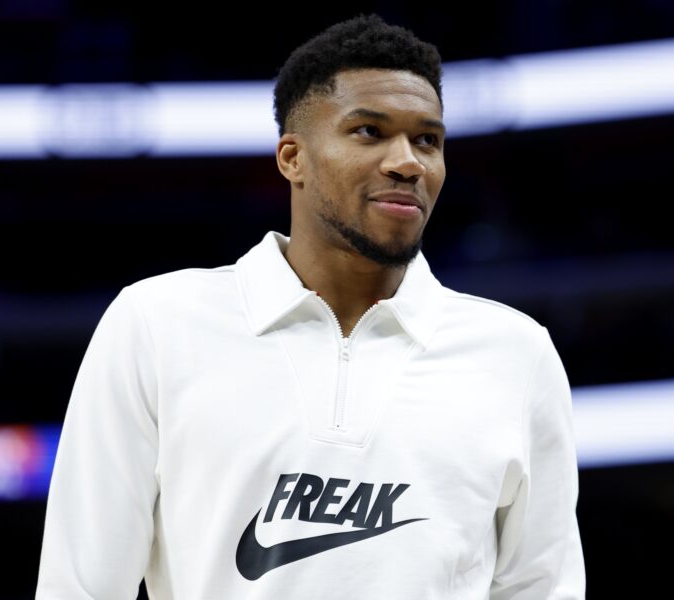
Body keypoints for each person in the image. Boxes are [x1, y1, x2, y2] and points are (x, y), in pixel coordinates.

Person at [36, 14, 585, 599]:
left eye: (427, 140)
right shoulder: (157, 324)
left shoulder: (517, 355)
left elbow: (542, 588)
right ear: (292, 158)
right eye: (369, 131)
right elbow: (80, 586)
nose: (408, 163)